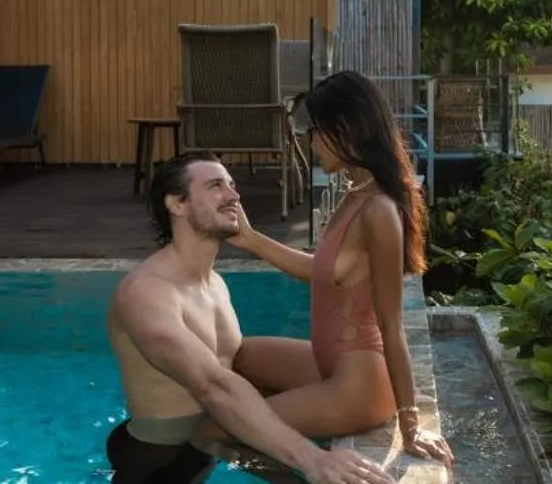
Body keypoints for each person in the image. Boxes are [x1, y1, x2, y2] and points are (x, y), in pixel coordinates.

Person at [106, 150, 396, 484]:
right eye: (216, 186)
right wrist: (313, 458)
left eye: (231, 185)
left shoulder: (213, 283)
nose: (233, 195)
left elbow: (234, 366)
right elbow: (213, 385)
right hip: (160, 461)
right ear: (177, 204)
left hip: (210, 439)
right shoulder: (147, 294)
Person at [221, 71, 454, 468]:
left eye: (315, 131)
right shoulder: (353, 193)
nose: (309, 142)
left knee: (217, 430)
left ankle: (294, 464)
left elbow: (392, 325)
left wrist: (410, 424)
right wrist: (251, 239)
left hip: (359, 384)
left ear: (345, 129)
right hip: (326, 362)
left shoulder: (379, 210)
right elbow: (321, 269)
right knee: (232, 358)